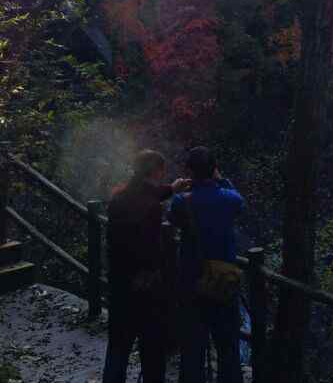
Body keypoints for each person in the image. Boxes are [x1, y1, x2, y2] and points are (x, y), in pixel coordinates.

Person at [103, 150, 189, 383]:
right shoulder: (152, 208)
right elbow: (149, 251)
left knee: (118, 347)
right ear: (157, 171)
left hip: (119, 284)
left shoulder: (119, 198)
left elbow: (146, 195)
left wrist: (173, 188)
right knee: (152, 349)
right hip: (144, 288)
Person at [170, 146, 246, 383]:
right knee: (228, 346)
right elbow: (240, 205)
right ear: (213, 169)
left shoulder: (182, 202)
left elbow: (171, 219)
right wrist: (221, 179)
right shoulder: (230, 199)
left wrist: (179, 189)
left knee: (192, 347)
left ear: (190, 172)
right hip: (223, 280)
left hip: (191, 280)